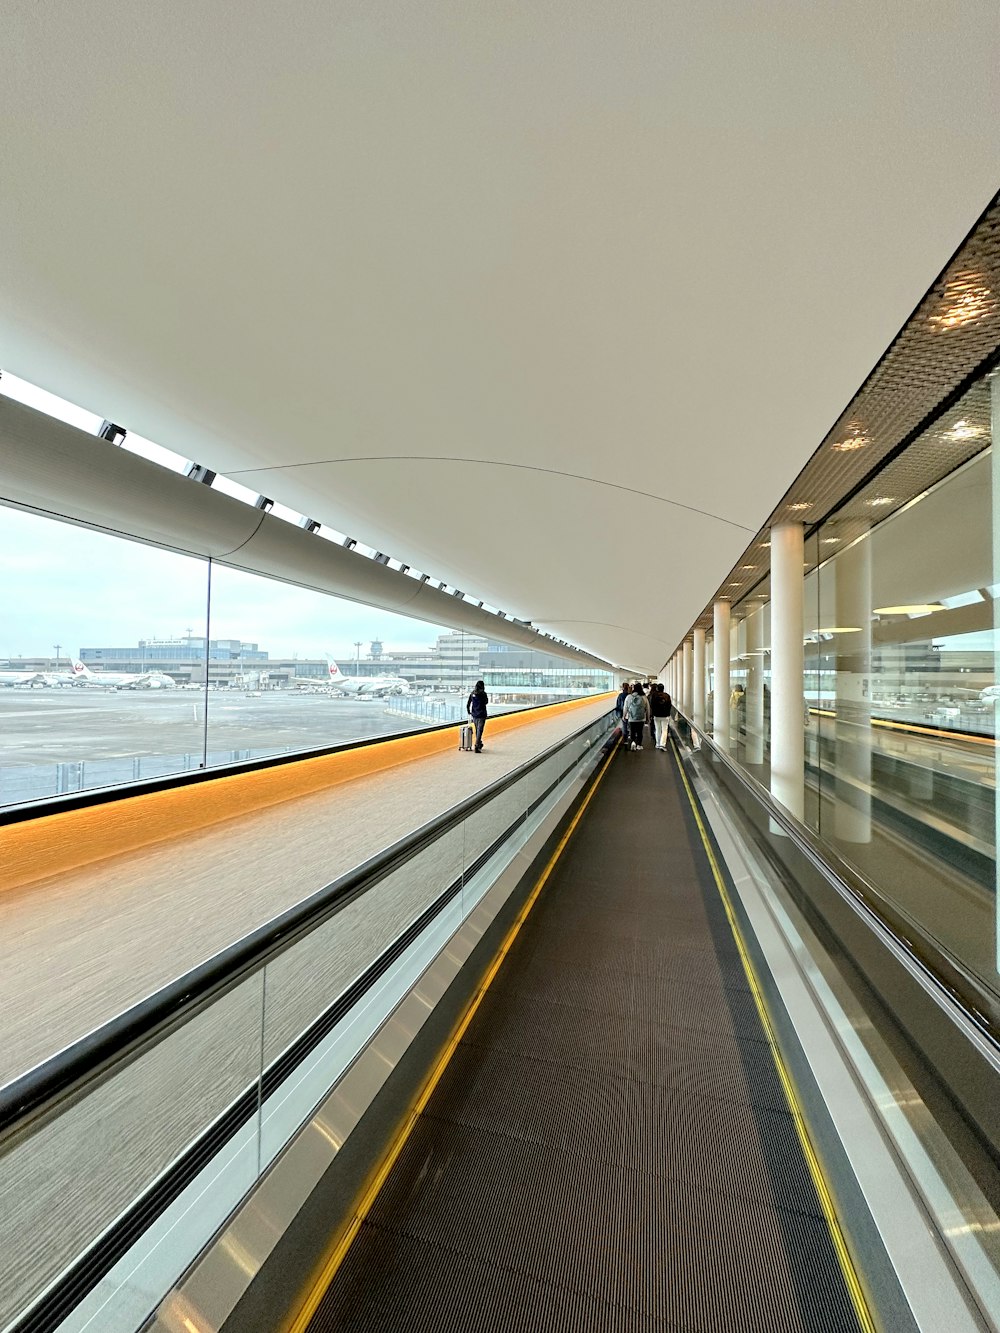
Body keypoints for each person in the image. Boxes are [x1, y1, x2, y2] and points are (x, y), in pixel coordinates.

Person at [623, 681, 650, 750]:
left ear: (633, 689)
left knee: (632, 731)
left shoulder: (629, 697)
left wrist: (624, 716)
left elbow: (625, 707)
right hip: (641, 718)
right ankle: (639, 745)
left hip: (631, 718)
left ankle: (633, 743)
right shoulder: (644, 697)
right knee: (640, 732)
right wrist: (648, 718)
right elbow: (648, 709)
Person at [466, 680, 489, 752]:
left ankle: (479, 743)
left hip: (474, 714)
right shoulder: (483, 694)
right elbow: (486, 702)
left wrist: (468, 711)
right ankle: (476, 746)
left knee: (477, 730)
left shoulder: (473, 693)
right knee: (480, 731)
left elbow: (468, 703)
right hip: (481, 714)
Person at [649, 682, 671, 749]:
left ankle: (657, 744)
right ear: (663, 689)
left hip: (656, 715)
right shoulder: (667, 696)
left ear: (657, 688)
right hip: (665, 715)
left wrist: (652, 714)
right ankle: (662, 744)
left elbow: (651, 705)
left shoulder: (654, 695)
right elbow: (669, 705)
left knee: (658, 729)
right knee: (664, 730)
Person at [615, 681, 632, 748]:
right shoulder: (630, 696)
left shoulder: (620, 695)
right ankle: (631, 737)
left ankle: (625, 740)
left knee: (624, 726)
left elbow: (618, 705)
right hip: (630, 713)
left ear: (622, 688)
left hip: (623, 713)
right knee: (630, 725)